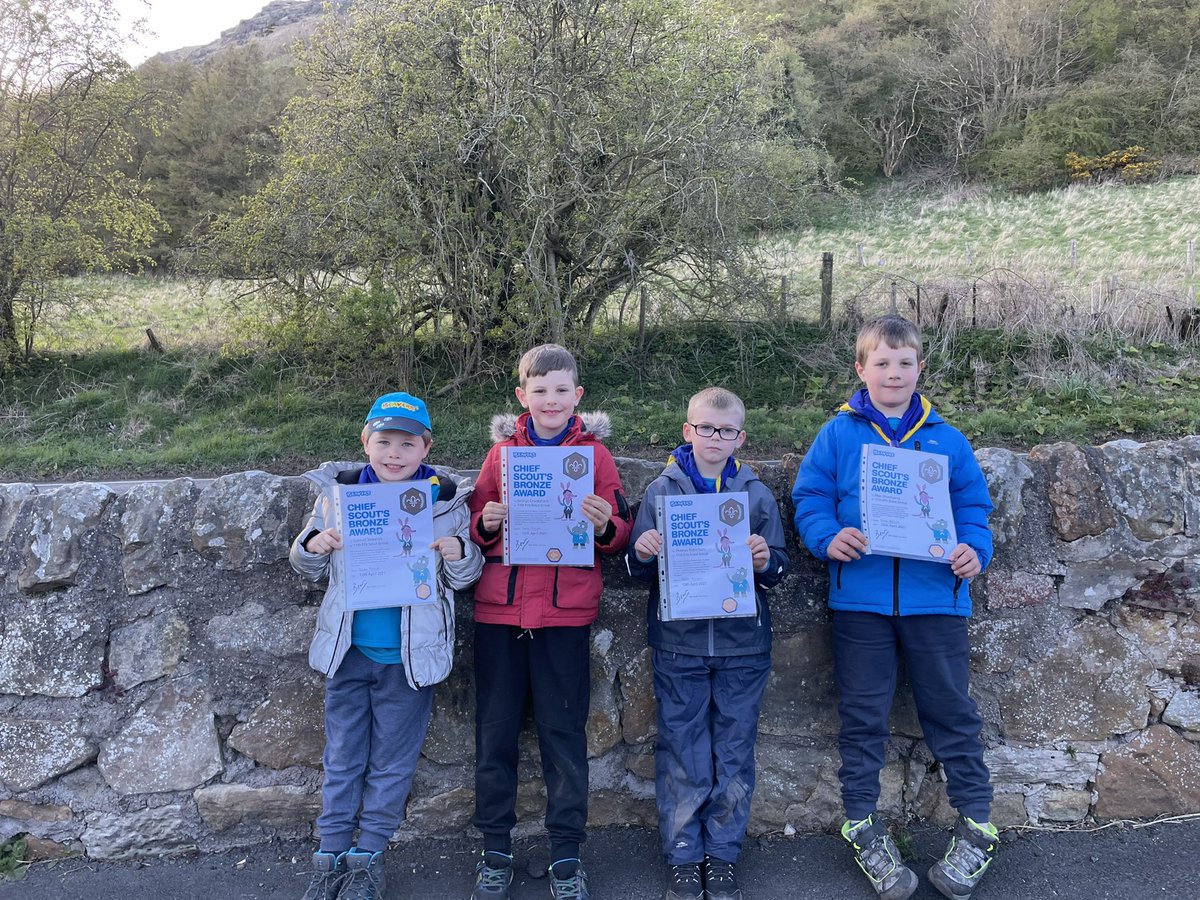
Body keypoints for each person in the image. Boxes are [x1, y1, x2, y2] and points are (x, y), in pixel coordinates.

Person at [791, 316, 996, 900]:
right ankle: (861, 823)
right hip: (861, 601)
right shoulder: (837, 436)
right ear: (861, 370)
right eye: (881, 363)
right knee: (862, 717)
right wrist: (827, 536)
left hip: (937, 599)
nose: (893, 373)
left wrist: (973, 550)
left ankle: (979, 827)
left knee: (952, 713)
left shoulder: (948, 441)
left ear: (919, 369)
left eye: (904, 363)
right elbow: (808, 497)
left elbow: (974, 509)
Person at [290, 391, 483, 900]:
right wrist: (313, 544)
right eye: (384, 442)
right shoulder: (337, 495)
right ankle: (329, 854)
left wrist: (459, 551)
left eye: (406, 443)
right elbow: (307, 564)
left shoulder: (445, 504)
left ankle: (367, 855)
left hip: (409, 659)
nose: (394, 453)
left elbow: (465, 577)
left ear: (426, 448)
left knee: (393, 762)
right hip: (348, 651)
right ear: (365, 443)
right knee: (343, 756)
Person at [467, 343, 633, 900]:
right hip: (500, 613)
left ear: (577, 396)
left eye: (561, 390)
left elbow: (619, 536)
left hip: (563, 617)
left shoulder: (597, 458)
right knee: (494, 738)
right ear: (522, 396)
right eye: (539, 391)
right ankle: (495, 852)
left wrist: (606, 523)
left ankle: (566, 856)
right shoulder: (500, 456)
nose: (551, 399)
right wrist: (487, 521)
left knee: (564, 738)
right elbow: (477, 524)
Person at [626, 387, 790, 900]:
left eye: (725, 431)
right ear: (687, 431)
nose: (714, 438)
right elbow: (634, 570)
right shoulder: (661, 492)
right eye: (705, 428)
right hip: (680, 646)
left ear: (740, 437)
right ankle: (683, 854)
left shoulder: (756, 495)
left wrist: (765, 560)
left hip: (743, 647)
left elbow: (780, 569)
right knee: (682, 749)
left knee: (734, 751)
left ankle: (722, 854)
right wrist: (645, 550)